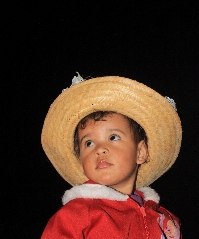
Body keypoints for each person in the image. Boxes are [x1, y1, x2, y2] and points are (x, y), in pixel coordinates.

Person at [41, 73, 182, 238]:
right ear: (81, 159)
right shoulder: (75, 216)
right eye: (89, 143)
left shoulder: (165, 220)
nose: (99, 149)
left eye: (113, 137)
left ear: (140, 152)